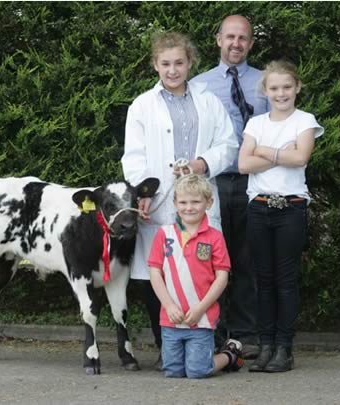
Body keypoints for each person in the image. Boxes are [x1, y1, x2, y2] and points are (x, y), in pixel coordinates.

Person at [121, 32, 238, 369]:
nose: (172, 70)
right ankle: (166, 345)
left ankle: (211, 342)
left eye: (179, 63)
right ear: (155, 65)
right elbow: (134, 156)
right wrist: (143, 192)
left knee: (205, 269)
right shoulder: (143, 104)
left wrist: (203, 164)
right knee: (156, 270)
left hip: (197, 197)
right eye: (165, 64)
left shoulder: (208, 100)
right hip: (159, 203)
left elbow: (228, 144)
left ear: (190, 63)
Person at [191, 15, 269, 358]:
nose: (236, 43)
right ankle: (213, 332)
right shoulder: (199, 85)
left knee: (248, 258)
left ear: (251, 44)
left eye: (243, 38)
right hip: (215, 183)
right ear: (218, 39)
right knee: (210, 258)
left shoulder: (267, 82)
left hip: (255, 182)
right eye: (230, 37)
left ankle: (247, 335)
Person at [238, 60, 324, 372]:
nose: (281, 93)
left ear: (297, 87)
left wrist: (263, 151)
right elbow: (243, 164)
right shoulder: (256, 124)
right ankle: (266, 346)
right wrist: (279, 154)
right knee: (264, 279)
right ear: (265, 91)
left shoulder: (305, 121)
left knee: (286, 280)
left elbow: (300, 156)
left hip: (291, 207)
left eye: (287, 87)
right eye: (274, 88)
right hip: (259, 207)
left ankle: (284, 349)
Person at [148, 174, 244, 378]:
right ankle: (198, 355)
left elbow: (222, 277)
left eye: (196, 202)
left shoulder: (215, 237)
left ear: (208, 203)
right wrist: (169, 305)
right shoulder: (164, 234)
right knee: (172, 371)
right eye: (183, 202)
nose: (189, 207)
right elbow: (155, 272)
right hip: (171, 318)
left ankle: (230, 354)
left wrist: (201, 308)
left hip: (201, 318)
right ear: (174, 203)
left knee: (197, 371)